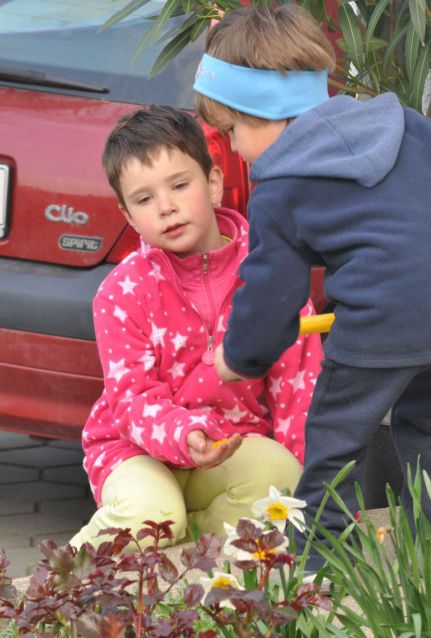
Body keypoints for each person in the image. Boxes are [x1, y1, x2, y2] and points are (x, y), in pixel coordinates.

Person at [195, 6, 431, 568]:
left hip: (383, 318)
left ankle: (323, 564)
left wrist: (238, 357)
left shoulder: (282, 183)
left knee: (335, 438)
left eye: (230, 131)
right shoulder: (403, 124)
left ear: (260, 113)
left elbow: (270, 291)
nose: (238, 150)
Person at [71, 105, 322, 549]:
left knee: (281, 479)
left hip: (232, 450)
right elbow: (131, 402)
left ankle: (195, 559)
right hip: (137, 452)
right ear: (128, 215)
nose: (166, 207)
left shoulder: (269, 277)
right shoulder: (122, 292)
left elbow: (298, 394)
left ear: (213, 184)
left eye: (180, 185)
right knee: (155, 514)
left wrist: (316, 502)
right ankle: (56, 588)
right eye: (144, 199)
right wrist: (187, 435)